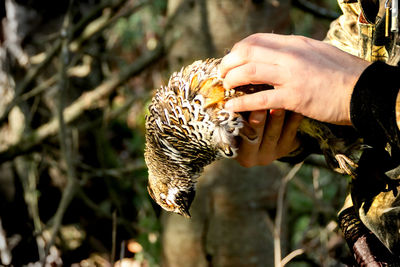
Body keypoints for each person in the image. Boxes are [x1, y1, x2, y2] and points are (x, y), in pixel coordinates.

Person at [218, 0, 400, 258]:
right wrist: (293, 123)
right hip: (376, 244)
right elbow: (366, 42)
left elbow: (359, 87)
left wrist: (365, 95)